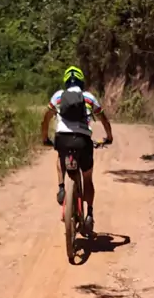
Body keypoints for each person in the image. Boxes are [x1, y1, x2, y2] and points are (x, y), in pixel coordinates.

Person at [41, 65, 113, 231]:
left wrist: (45, 137)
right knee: (87, 178)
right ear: (81, 82)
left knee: (60, 158)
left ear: (66, 82)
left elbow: (46, 118)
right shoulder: (89, 97)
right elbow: (104, 119)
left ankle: (61, 187)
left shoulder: (58, 96)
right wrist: (109, 137)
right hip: (83, 141)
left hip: (63, 139)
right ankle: (90, 214)